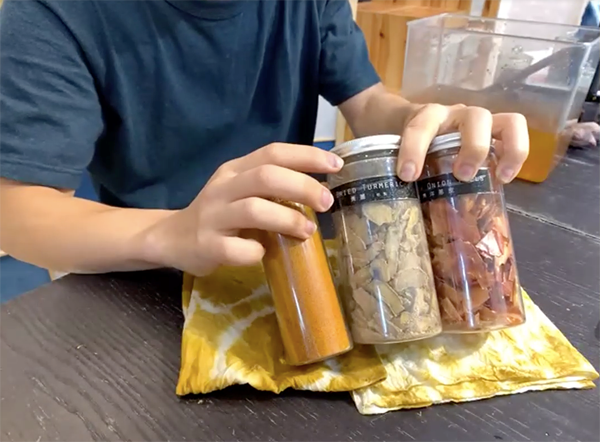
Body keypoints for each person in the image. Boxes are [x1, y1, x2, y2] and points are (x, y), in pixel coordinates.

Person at [0, 0, 529, 278]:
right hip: (140, 269)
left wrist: (420, 121)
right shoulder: (53, 13)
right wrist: (172, 233)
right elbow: (17, 209)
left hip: (288, 251)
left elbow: (367, 102)